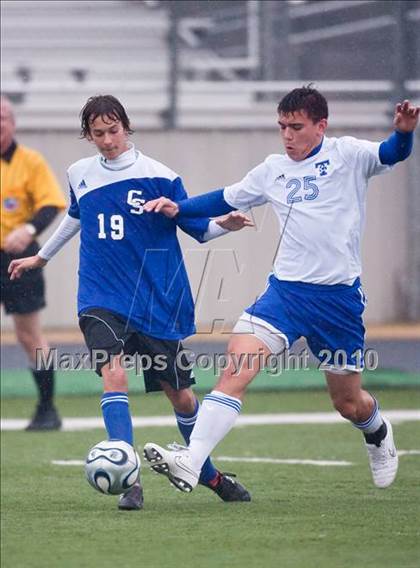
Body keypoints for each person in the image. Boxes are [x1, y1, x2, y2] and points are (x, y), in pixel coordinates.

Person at [142, 86, 419, 494]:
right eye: (281, 127)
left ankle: (377, 432)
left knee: (348, 403)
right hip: (285, 295)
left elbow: (391, 154)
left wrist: (405, 132)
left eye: (296, 127)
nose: (287, 135)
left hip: (337, 302)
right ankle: (192, 459)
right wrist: (178, 207)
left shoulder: (348, 155)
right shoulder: (272, 169)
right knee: (235, 367)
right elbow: (224, 197)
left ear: (320, 126)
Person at [9, 94, 253, 511]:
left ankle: (207, 472)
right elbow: (75, 216)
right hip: (101, 297)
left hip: (156, 301)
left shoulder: (160, 176)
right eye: (97, 133)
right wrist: (40, 255)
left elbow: (198, 229)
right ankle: (129, 478)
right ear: (88, 134)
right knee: (114, 375)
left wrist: (225, 225)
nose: (107, 141)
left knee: (180, 397)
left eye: (113, 131)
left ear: (127, 127)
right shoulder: (79, 173)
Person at [1, 95, 66, 430]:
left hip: (16, 258)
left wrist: (27, 230)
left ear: (12, 122)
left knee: (29, 335)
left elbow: (52, 203)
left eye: (2, 117)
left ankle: (47, 407)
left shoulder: (30, 161)